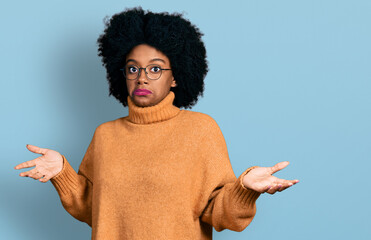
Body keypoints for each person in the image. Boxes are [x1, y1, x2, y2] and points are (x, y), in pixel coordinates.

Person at [14, 6, 299, 240]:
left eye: (155, 68)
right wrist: (62, 172)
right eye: (133, 68)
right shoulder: (105, 135)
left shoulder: (201, 130)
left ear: (175, 77)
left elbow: (220, 213)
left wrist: (244, 189)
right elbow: (95, 210)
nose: (142, 77)